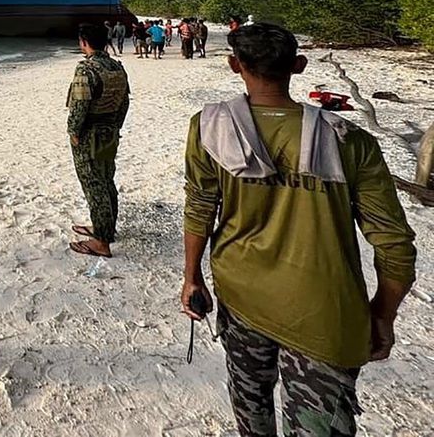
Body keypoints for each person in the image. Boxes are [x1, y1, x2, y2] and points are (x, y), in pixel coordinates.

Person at [181, 24, 417, 436]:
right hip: (325, 313)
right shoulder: (349, 139)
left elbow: (200, 206)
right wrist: (382, 314)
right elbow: (395, 245)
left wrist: (191, 276)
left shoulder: (208, 127)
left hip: (241, 297)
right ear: (299, 65)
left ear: (235, 65)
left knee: (250, 407)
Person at [66, 23, 130, 258]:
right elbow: (125, 101)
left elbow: (80, 105)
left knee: (94, 185)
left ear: (84, 42)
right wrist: (116, 124)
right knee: (106, 179)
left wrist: (73, 131)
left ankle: (101, 241)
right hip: (110, 130)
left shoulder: (86, 70)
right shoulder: (117, 66)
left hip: (89, 133)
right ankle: (106, 228)